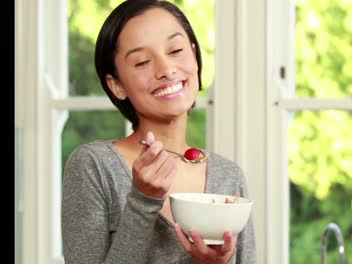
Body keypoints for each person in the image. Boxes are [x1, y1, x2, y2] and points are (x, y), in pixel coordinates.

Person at [60, 0, 256, 263]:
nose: (166, 70)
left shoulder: (228, 178)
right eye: (142, 62)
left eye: (176, 50)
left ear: (195, 57)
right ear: (117, 85)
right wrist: (142, 200)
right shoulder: (94, 166)